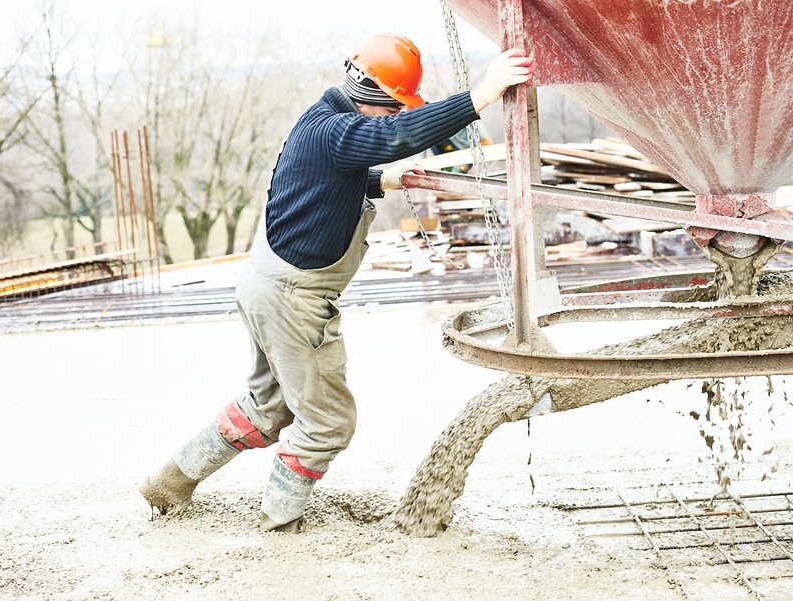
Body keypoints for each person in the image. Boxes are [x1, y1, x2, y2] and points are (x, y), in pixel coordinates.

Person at [138, 32, 534, 532]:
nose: (394, 118)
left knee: (269, 407)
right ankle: (279, 525)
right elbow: (394, 138)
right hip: (293, 299)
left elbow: (324, 180)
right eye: (393, 108)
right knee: (327, 423)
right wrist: (484, 93)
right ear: (371, 94)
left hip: (266, 285)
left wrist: (382, 181)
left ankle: (170, 482)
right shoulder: (336, 132)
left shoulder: (319, 121)